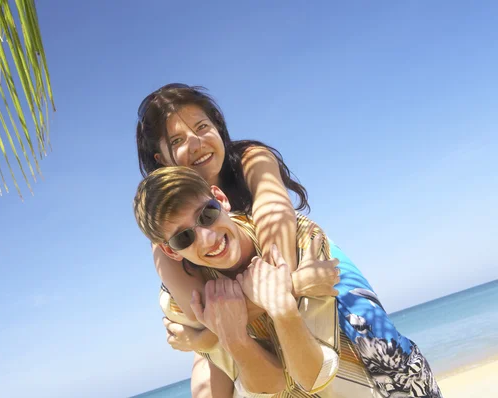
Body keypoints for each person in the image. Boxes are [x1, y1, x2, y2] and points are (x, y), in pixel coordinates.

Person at [135, 84, 442, 397]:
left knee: (377, 345)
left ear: (217, 126)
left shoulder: (249, 159)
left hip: (304, 257)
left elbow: (277, 228)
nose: (197, 143)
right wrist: (294, 285)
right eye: (178, 140)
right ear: (162, 158)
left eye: (202, 127)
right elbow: (210, 310)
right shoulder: (165, 236)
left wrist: (207, 331)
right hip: (270, 288)